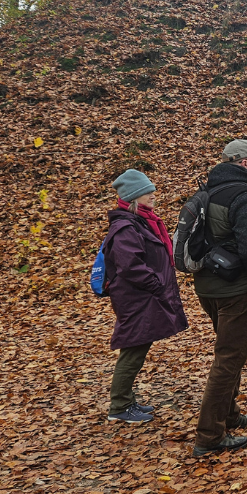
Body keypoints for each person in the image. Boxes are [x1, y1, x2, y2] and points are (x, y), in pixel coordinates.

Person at [192, 139, 247, 457]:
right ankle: (209, 435)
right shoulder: (243, 196)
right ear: (243, 163)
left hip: (208, 287)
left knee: (230, 354)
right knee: (228, 359)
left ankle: (229, 415)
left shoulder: (208, 189)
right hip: (236, 290)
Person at [103, 170, 188, 425]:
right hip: (136, 298)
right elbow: (130, 265)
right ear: (133, 197)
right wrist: (157, 285)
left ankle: (125, 400)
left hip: (142, 297)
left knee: (137, 348)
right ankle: (119, 406)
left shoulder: (139, 222)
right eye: (146, 192)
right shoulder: (125, 226)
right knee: (133, 350)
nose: (153, 195)